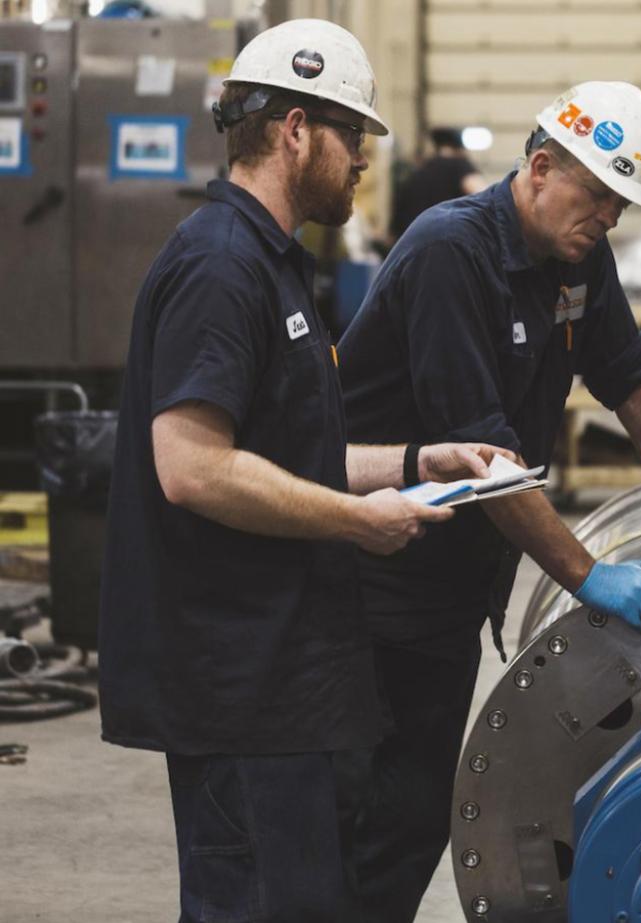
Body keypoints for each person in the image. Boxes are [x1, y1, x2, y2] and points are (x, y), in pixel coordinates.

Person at [96, 19, 509, 923]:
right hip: (235, 684)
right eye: (351, 135)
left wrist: (415, 460)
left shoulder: (274, 265)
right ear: (294, 131)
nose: (361, 159)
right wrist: (357, 521)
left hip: (283, 685)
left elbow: (287, 456)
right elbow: (194, 467)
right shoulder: (220, 266)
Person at [335, 80, 641, 921]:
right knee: (370, 819)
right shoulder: (451, 254)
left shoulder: (578, 259)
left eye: (623, 204)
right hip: (370, 586)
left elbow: (635, 382)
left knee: (411, 812)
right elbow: (484, 459)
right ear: (540, 167)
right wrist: (586, 574)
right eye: (600, 195)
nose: (611, 218)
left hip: (451, 592)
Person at [387, 126, 488, 243]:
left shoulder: (417, 173)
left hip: (411, 247)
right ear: (459, 148)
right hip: (447, 246)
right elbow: (485, 199)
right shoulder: (459, 165)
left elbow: (394, 229)